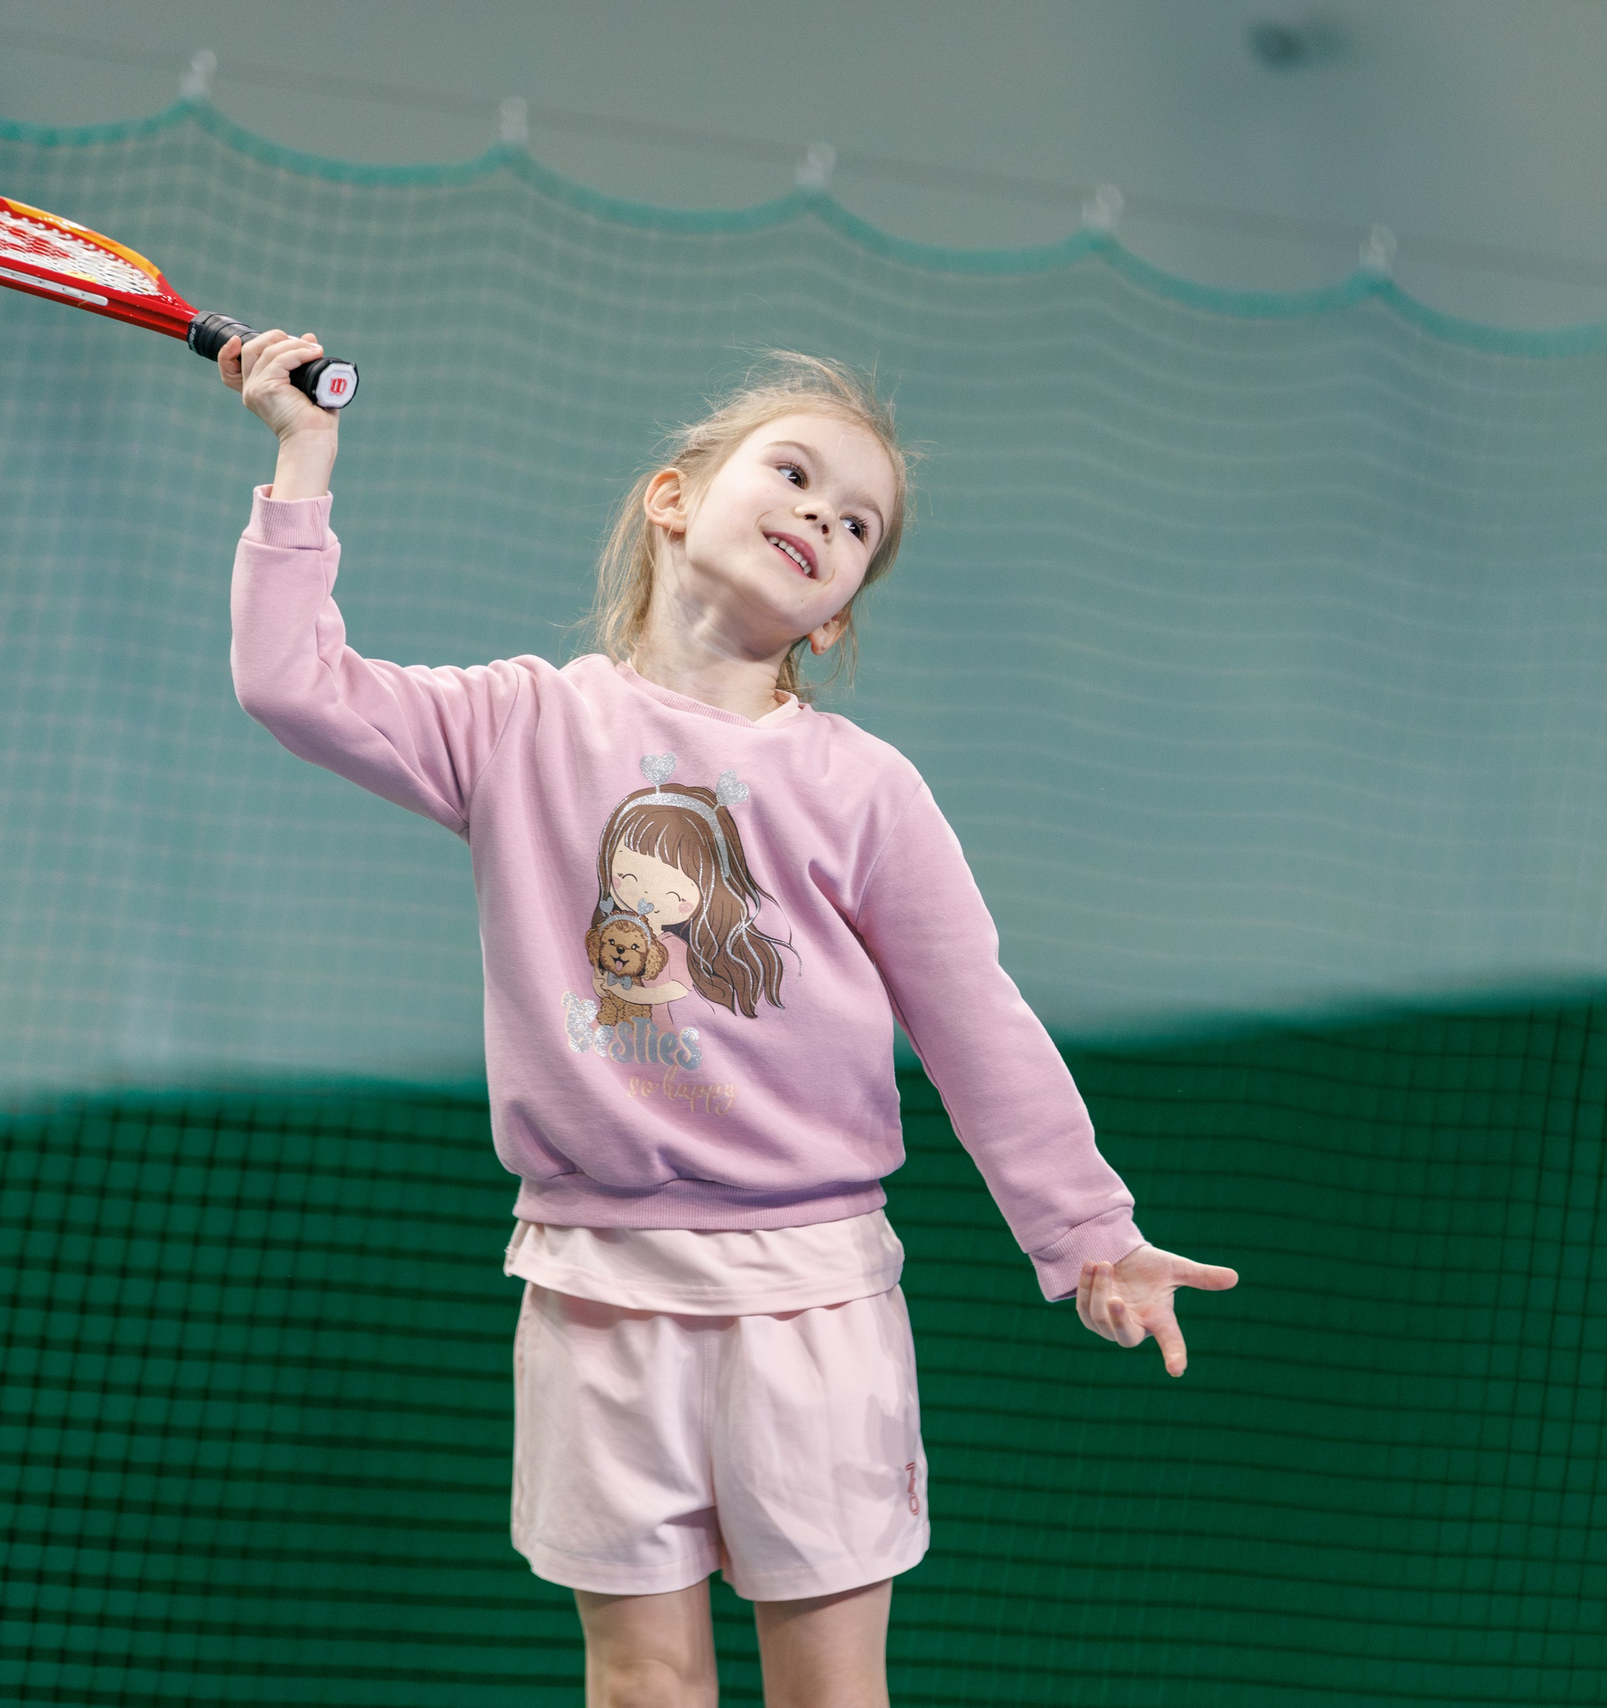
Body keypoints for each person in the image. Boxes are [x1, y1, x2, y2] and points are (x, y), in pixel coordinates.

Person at [221, 330, 1238, 1707]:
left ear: (835, 615)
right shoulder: (520, 725)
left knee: (827, 1690)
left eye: (857, 522)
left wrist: (1090, 1235)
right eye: (797, 473)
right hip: (592, 1287)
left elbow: (974, 1021)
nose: (822, 513)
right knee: (642, 1683)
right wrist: (303, 455)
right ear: (675, 498)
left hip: (806, 1295)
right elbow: (294, 685)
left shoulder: (866, 789)